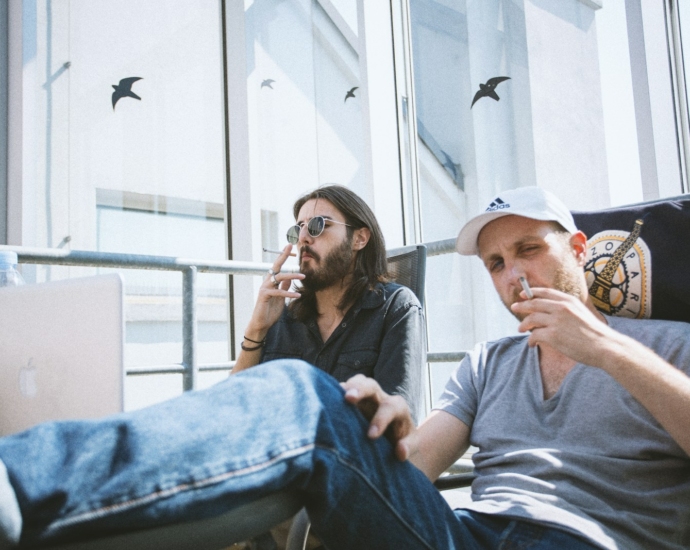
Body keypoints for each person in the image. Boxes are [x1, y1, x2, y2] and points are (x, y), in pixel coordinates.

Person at [1, 187, 689, 549]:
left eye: (530, 251)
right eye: (497, 264)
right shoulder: (491, 361)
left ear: (576, 247)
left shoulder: (668, 346)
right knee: (308, 396)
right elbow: (417, 464)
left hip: (591, 541)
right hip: (464, 534)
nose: (513, 277)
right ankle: (17, 486)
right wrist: (382, 434)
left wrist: (603, 347)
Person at [232, 184, 424, 416]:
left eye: (318, 225)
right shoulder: (283, 315)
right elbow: (234, 405)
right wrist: (257, 329)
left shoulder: (395, 307)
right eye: (298, 229)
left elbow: (397, 421)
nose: (303, 238)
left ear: (359, 239)